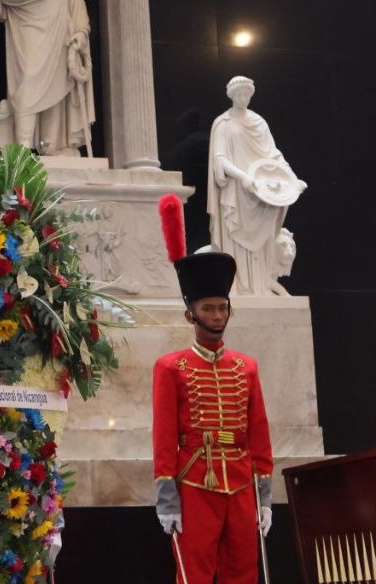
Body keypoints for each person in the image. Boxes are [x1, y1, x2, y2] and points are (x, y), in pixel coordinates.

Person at [153, 194, 273, 584]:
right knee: (195, 574)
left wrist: (265, 494)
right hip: (193, 484)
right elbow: (163, 439)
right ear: (191, 313)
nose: (217, 316)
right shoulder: (170, 367)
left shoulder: (246, 367)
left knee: (244, 574)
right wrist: (167, 497)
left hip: (240, 483)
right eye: (208, 309)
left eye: (222, 307)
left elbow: (259, 433)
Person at [0, 0, 95, 156]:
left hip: (59, 32)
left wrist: (81, 32)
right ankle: (22, 147)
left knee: (57, 88)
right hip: (27, 31)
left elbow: (77, 3)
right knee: (28, 81)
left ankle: (51, 147)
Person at [206, 76, 305, 296]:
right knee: (236, 239)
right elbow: (220, 159)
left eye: (247, 95)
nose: (243, 98)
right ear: (231, 96)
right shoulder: (224, 123)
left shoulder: (259, 123)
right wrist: (243, 178)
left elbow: (274, 155)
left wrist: (292, 178)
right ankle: (237, 286)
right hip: (237, 191)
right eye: (239, 94)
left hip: (261, 194)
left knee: (262, 245)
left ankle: (259, 288)